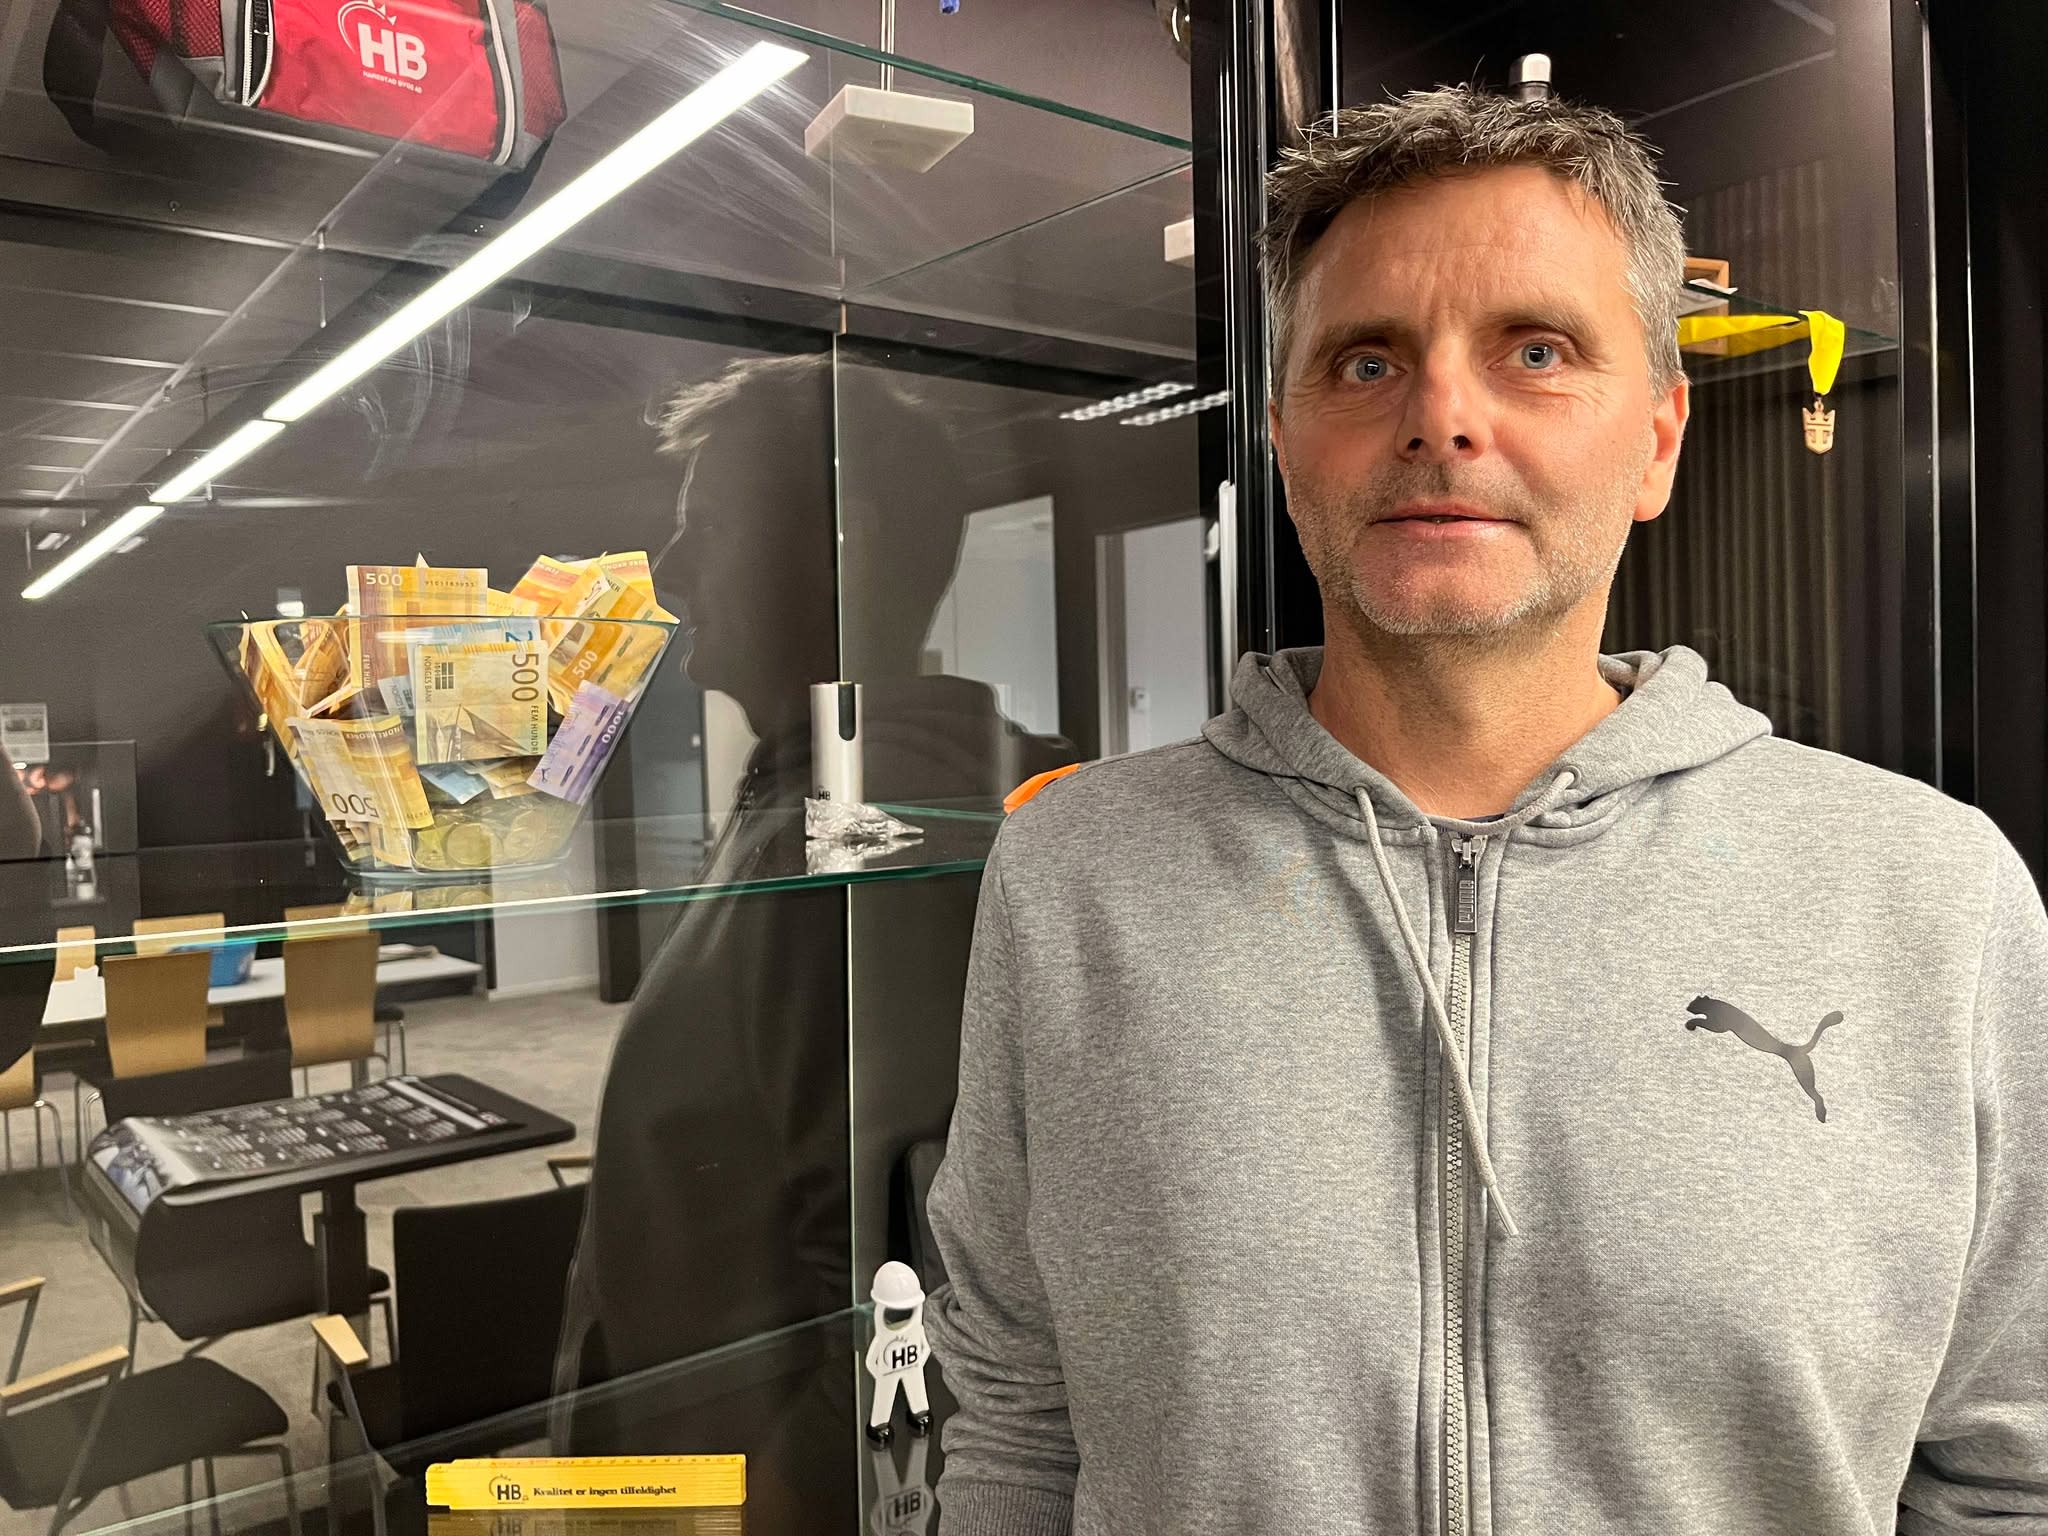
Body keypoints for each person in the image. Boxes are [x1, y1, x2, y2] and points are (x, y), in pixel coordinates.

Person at [923, 86, 2048, 1535]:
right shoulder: (1075, 871)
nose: (1442, 419)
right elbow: (1017, 1424)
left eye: (1536, 351)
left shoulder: (1932, 895)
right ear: (1284, 438)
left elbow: (2010, 1472)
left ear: (1658, 439)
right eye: (1367, 360)